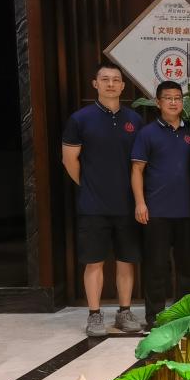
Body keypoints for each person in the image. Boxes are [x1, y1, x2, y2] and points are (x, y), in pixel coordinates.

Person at [61, 62, 143, 337]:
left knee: (126, 261)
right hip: (93, 205)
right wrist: (89, 185)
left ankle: (124, 311)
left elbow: (140, 164)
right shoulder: (80, 119)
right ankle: (94, 314)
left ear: (123, 86)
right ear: (95, 84)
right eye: (105, 79)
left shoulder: (135, 120)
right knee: (94, 261)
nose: (110, 84)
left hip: (127, 204)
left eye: (116, 80)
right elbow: (69, 160)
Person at [130, 81, 190, 329]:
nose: (173, 102)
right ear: (158, 102)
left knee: (187, 268)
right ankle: (155, 317)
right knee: (156, 267)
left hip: (187, 211)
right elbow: (137, 170)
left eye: (178, 98)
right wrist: (140, 203)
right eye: (168, 98)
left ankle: (184, 317)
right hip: (156, 211)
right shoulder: (147, 133)